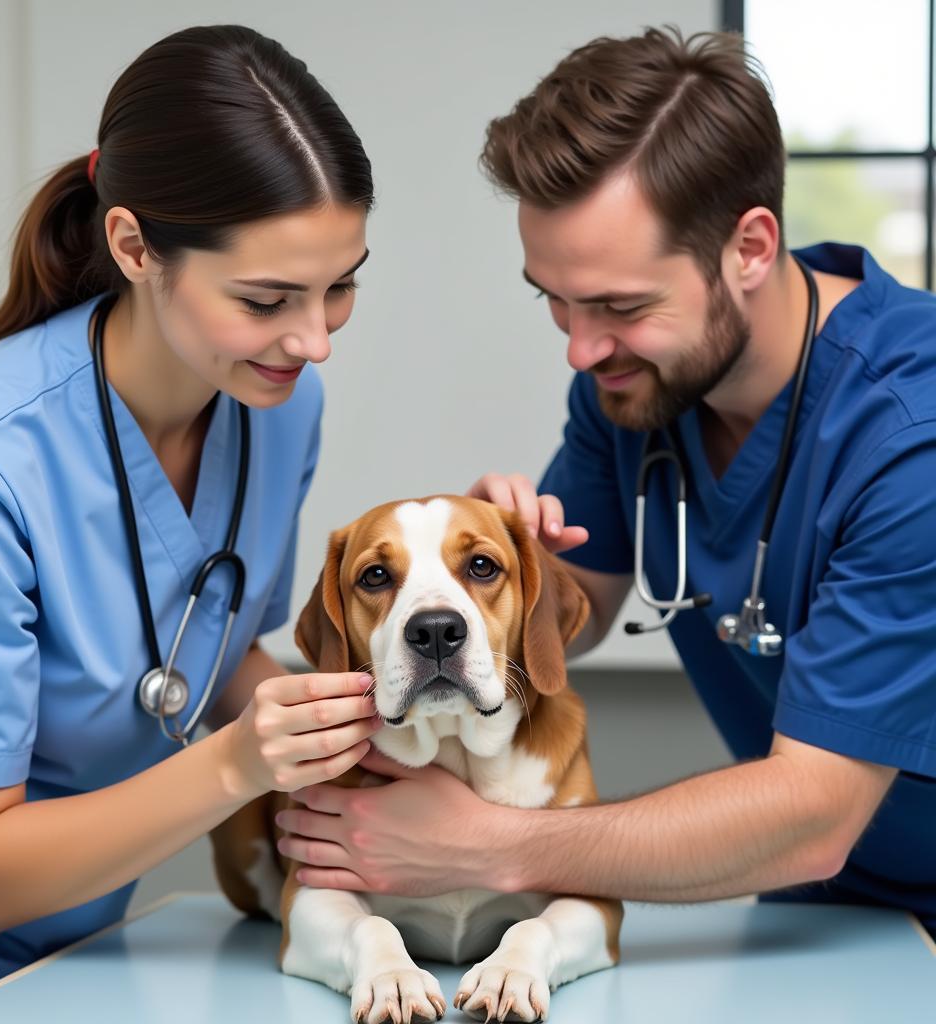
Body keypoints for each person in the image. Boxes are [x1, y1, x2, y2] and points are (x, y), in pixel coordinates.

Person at [275, 27, 936, 939]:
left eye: (621, 306)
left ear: (749, 247)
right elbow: (556, 626)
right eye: (553, 296)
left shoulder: (912, 440)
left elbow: (814, 814)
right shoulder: (636, 386)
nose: (581, 350)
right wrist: (490, 580)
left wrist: (489, 845)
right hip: (826, 914)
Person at [0, 24, 385, 1016]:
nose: (312, 339)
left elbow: (203, 656)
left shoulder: (276, 400)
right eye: (265, 297)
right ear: (133, 245)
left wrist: (373, 722)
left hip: (90, 950)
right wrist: (242, 760)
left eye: (339, 286)